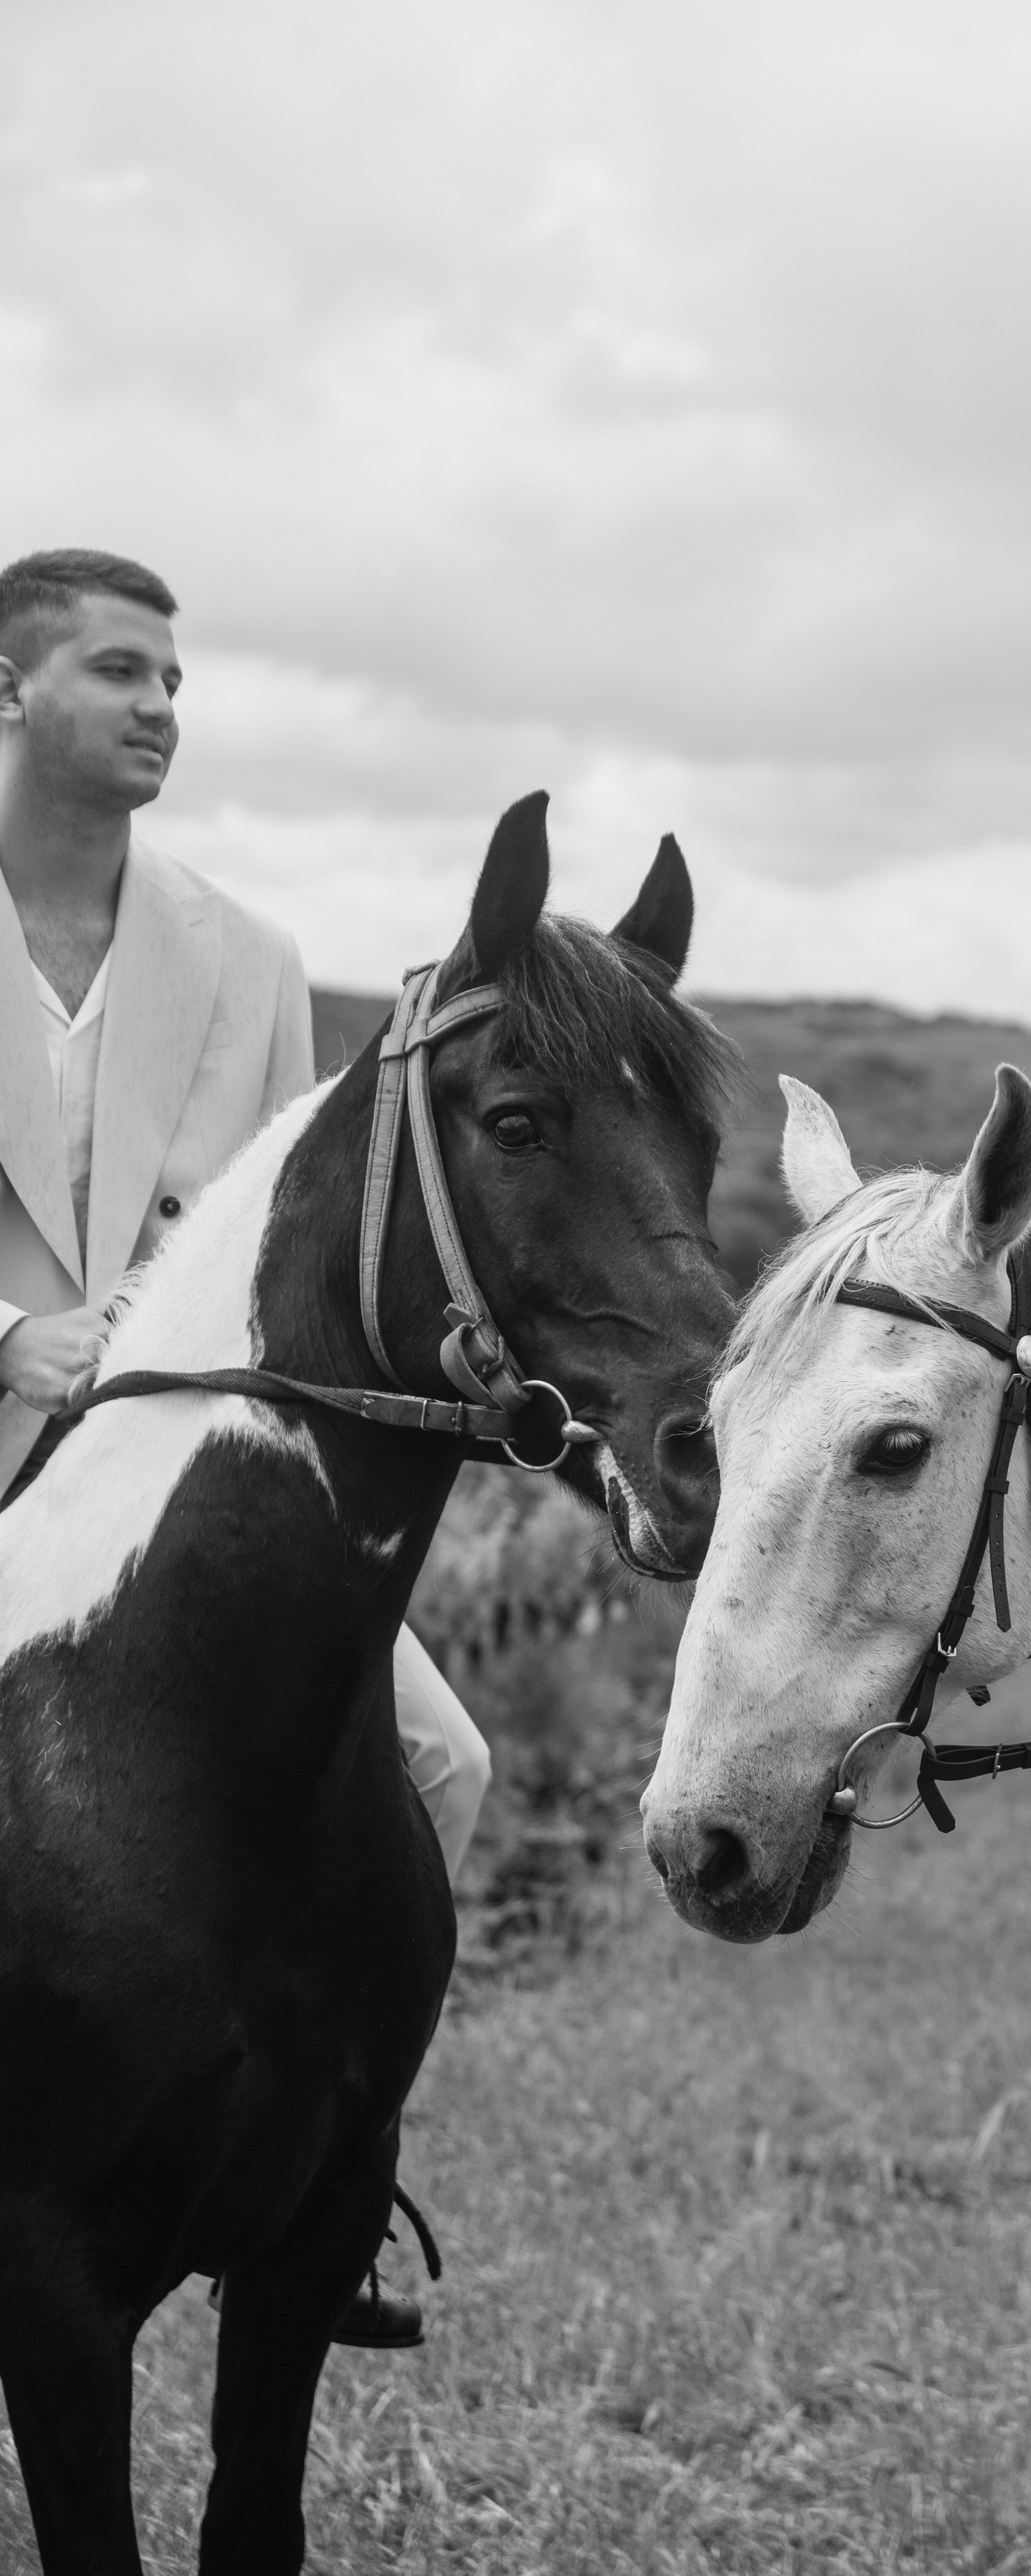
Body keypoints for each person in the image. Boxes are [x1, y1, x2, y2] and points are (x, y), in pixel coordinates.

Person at [0, 547, 490, 2343]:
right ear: (8, 694)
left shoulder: (250, 962)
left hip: (173, 1493)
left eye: (175, 684)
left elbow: (291, 1251)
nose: (159, 709)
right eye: (120, 672)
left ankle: (327, 2201)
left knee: (447, 1769)